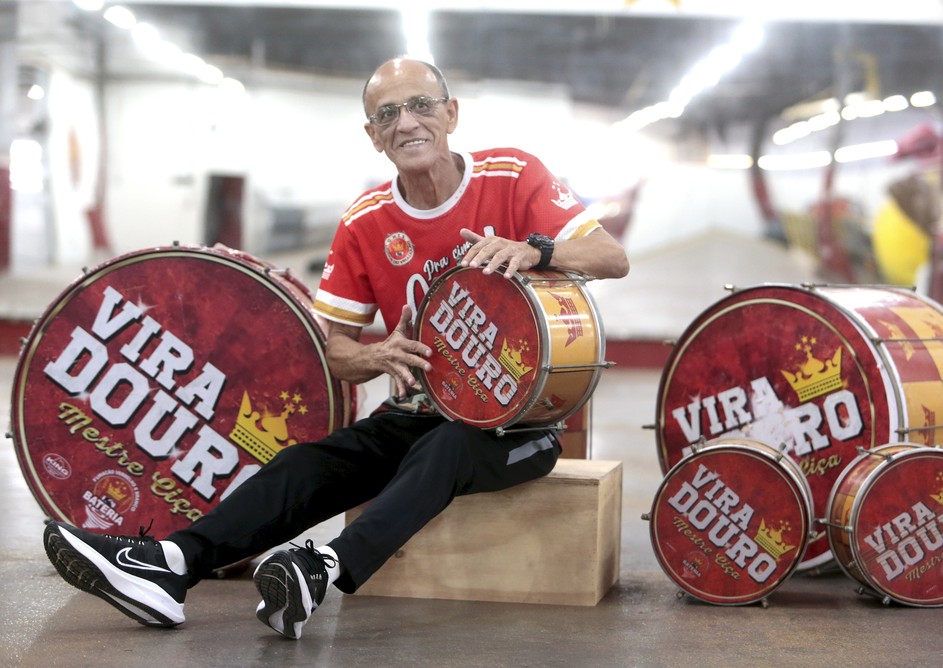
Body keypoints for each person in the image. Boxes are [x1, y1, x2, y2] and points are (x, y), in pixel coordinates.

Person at [42, 57, 629, 640]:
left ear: (451, 114)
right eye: (387, 114)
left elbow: (612, 257)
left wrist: (537, 251)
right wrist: (376, 356)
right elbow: (337, 352)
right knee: (308, 463)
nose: (407, 123)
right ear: (373, 135)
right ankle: (170, 564)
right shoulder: (365, 221)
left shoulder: (512, 174)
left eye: (421, 105)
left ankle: (322, 569)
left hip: (521, 427)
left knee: (449, 447)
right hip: (418, 412)